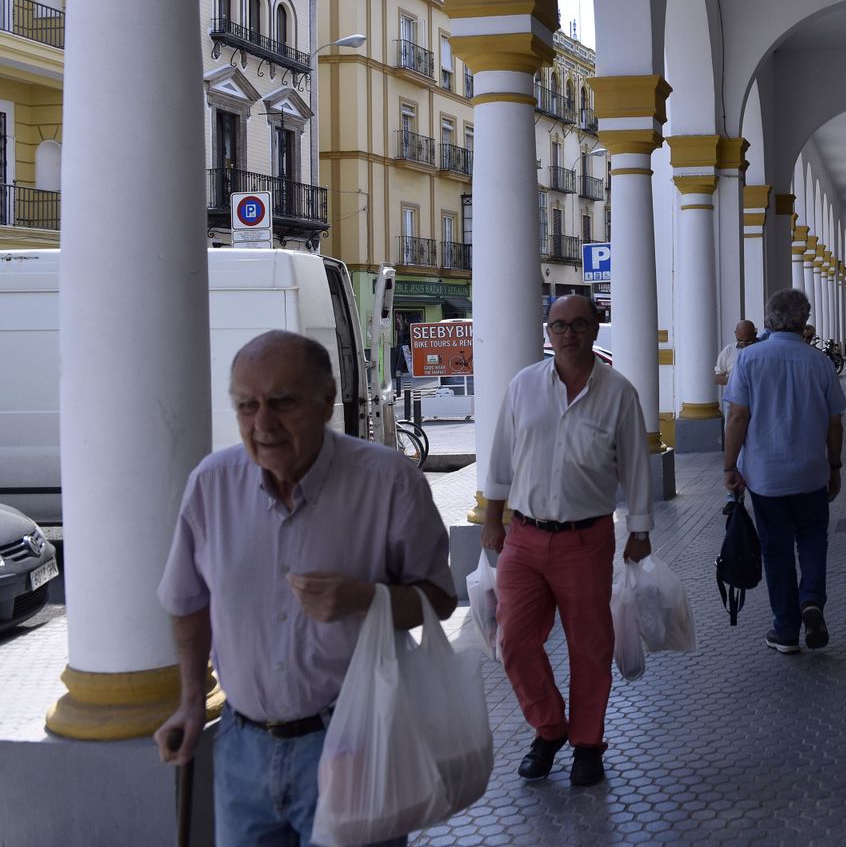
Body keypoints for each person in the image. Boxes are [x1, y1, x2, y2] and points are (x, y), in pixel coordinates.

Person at [156, 331, 454, 847]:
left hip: (355, 744)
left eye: (282, 402)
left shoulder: (388, 482)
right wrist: (188, 702)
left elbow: (441, 600)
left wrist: (366, 598)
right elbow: (187, 602)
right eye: (246, 406)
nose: (262, 424)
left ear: (327, 400)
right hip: (242, 750)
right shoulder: (211, 485)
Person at [481, 294, 653, 788]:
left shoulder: (618, 392)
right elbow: (500, 455)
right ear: (548, 331)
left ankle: (586, 743)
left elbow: (637, 465)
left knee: (590, 645)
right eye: (560, 325)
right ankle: (549, 726)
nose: (569, 334)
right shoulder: (524, 386)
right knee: (512, 640)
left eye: (579, 324)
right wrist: (494, 518)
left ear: (596, 329)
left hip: (586, 538)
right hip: (525, 537)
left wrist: (640, 529)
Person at [723, 288, 845, 654]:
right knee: (812, 539)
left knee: (776, 550)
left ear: (769, 319)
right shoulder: (819, 362)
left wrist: (730, 466)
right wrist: (834, 466)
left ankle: (786, 629)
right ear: (804, 320)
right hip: (810, 472)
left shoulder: (749, 359)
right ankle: (811, 600)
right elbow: (835, 422)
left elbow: (738, 416)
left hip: (766, 475)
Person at [714, 319, 759, 407]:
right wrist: (735, 380)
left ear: (755, 333)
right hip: (736, 402)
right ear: (735, 334)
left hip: (758, 401)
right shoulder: (728, 351)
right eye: (740, 341)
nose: (744, 344)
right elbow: (717, 378)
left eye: (748, 341)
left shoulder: (763, 349)